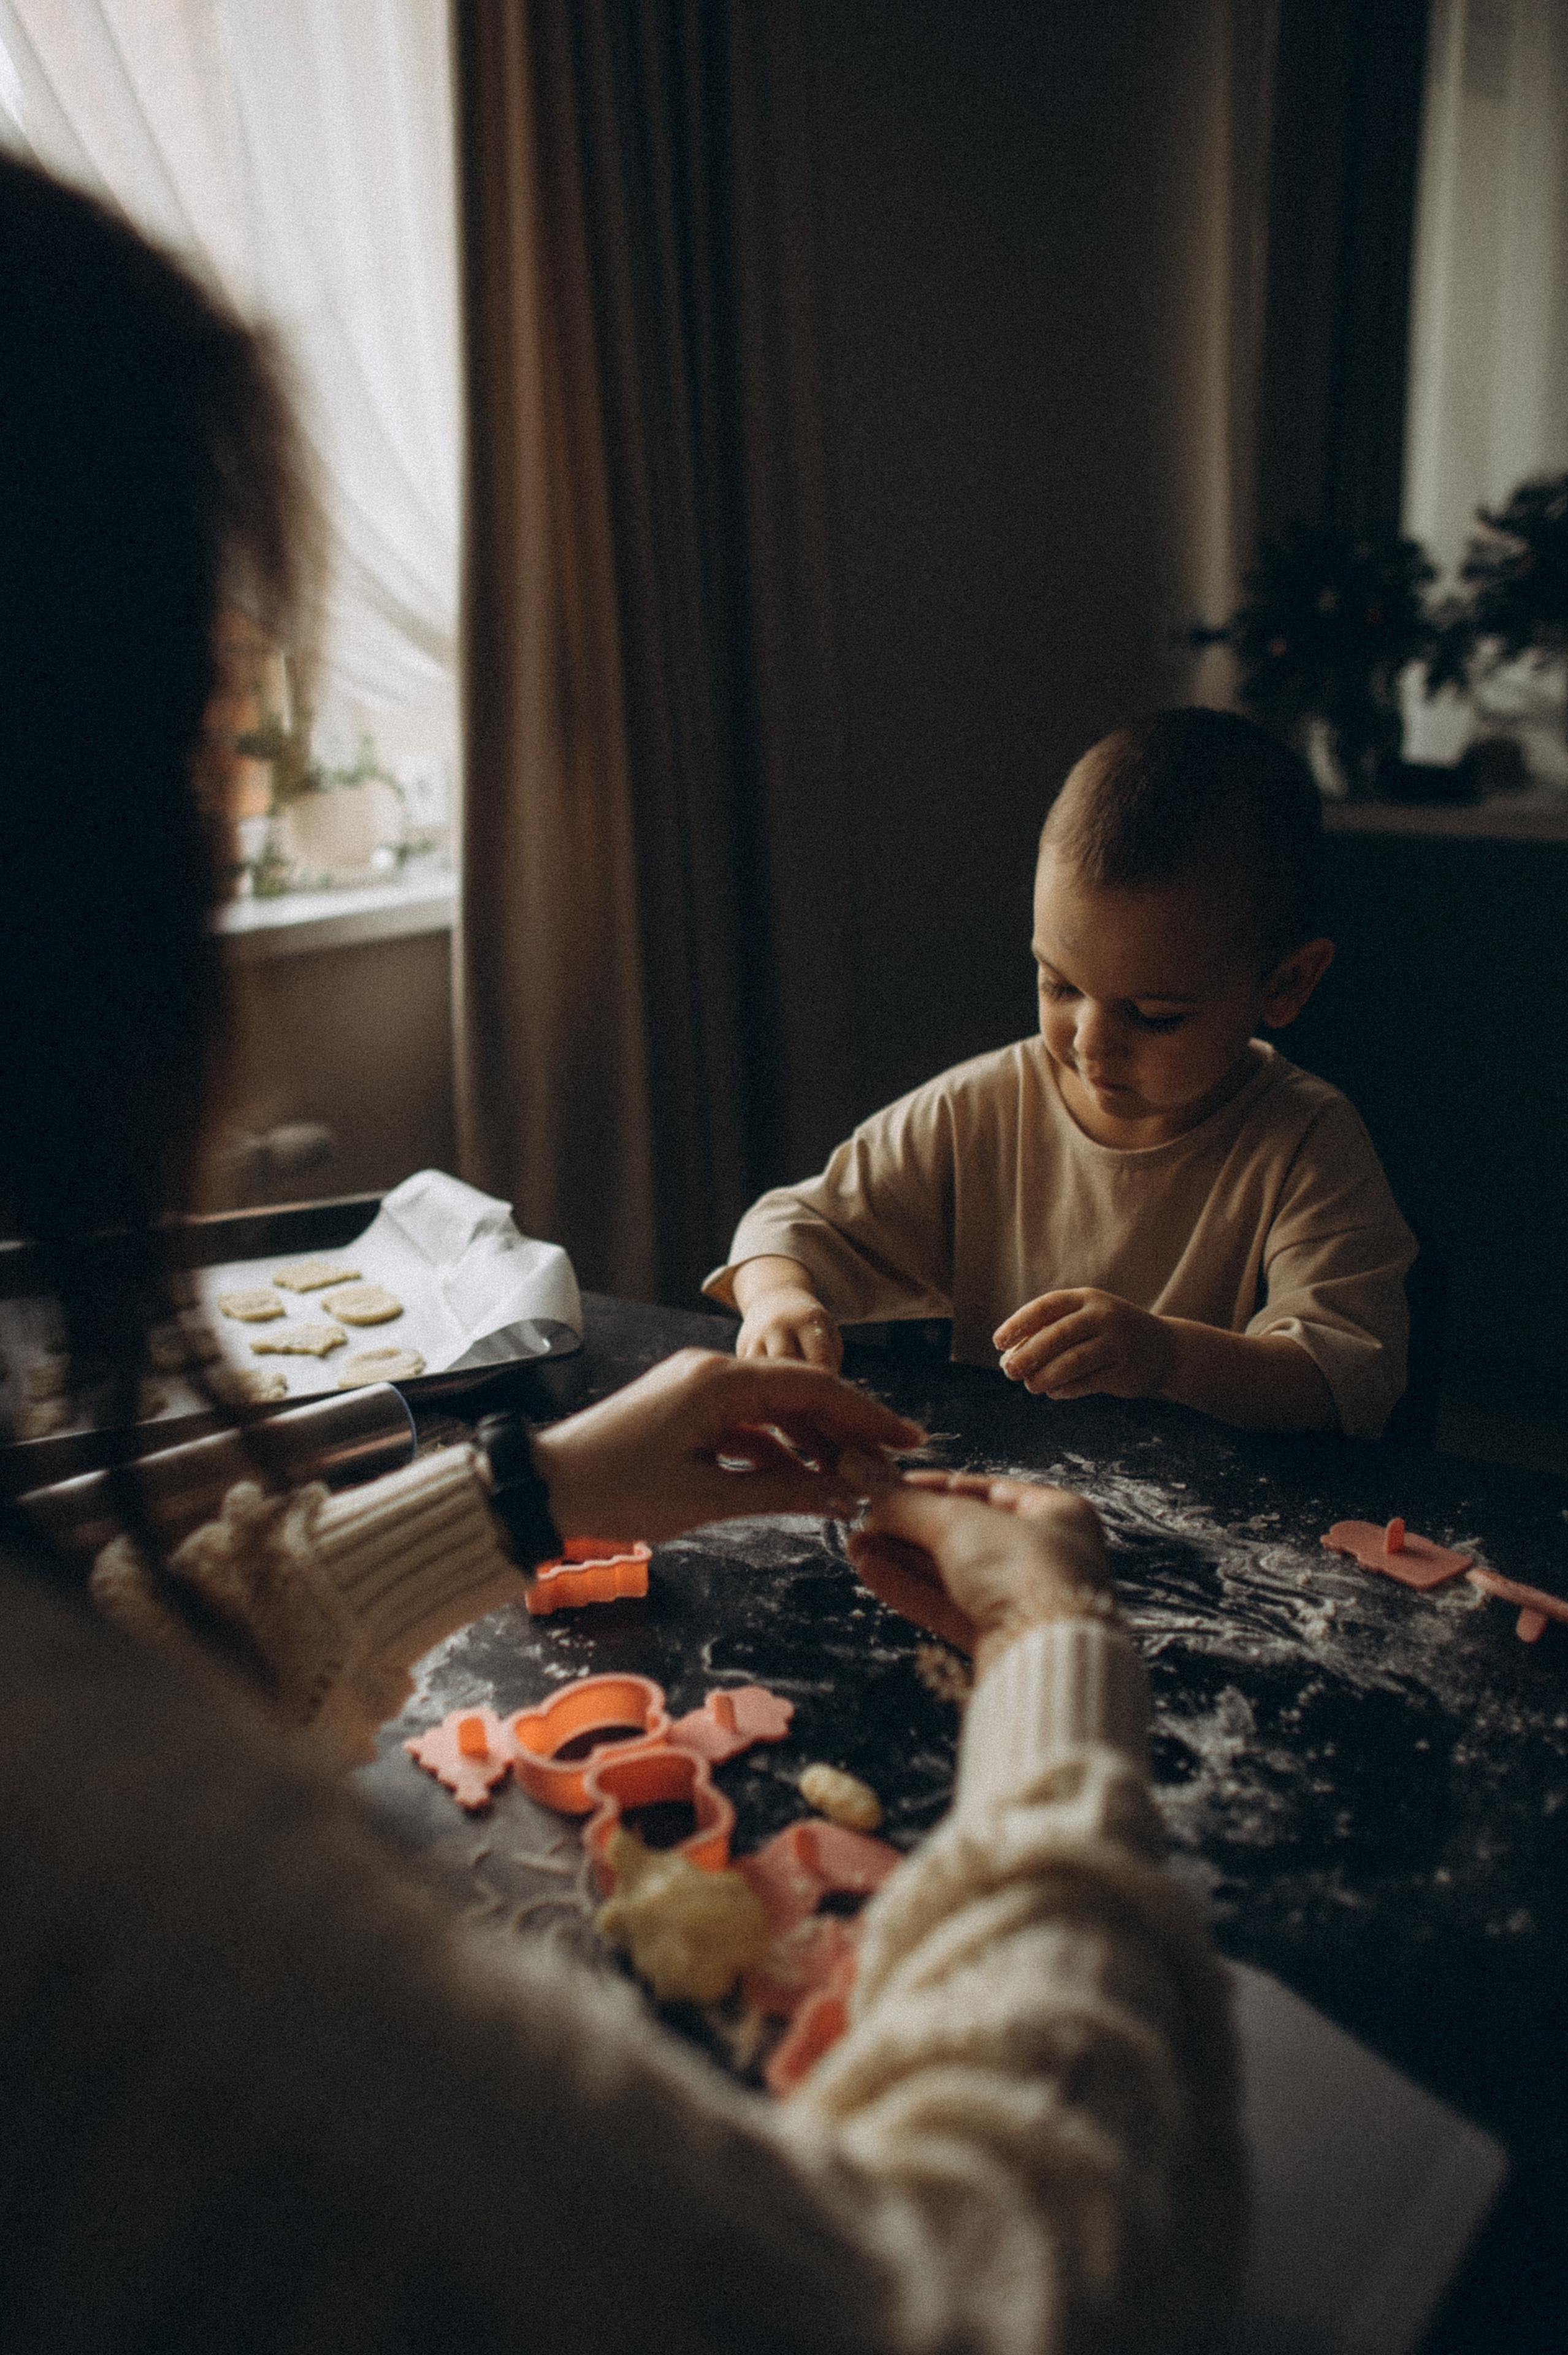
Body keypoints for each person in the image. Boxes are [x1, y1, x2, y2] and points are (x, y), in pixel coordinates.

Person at [0, 156, 1242, 2353]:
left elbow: (113, 1668)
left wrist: (534, 1490)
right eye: (206, 740)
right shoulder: (120, 1926)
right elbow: (987, 2300)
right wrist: (1055, 1673)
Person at [710, 710, 1416, 1438]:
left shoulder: (1306, 1143)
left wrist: (1168, 1359)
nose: (1091, 1045)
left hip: (1217, 1523)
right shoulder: (982, 1108)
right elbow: (790, 1223)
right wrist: (778, 1301)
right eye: (1059, 985)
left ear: (1286, 984)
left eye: (1153, 1015)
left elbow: (1343, 1384)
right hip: (1006, 1507)